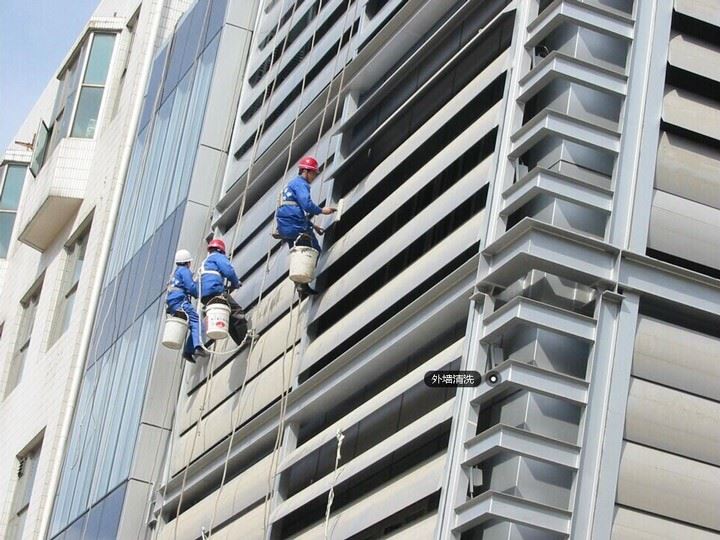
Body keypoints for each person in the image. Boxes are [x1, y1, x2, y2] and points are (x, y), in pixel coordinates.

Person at [275, 156, 336, 295]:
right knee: (313, 249)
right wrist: (322, 210)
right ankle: (302, 283)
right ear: (305, 171)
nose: (314, 177)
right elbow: (306, 205)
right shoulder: (301, 184)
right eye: (313, 173)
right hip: (296, 225)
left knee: (297, 253)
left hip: (285, 227)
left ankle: (300, 284)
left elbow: (293, 209)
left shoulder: (291, 184)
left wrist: (313, 226)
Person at [199, 238, 248, 345]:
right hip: (215, 291)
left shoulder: (205, 263)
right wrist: (236, 283)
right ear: (220, 250)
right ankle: (245, 338)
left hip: (205, 297)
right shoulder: (217, 257)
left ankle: (240, 341)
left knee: (227, 315)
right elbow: (228, 271)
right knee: (237, 311)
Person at [166, 249, 208, 362]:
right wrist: (199, 293)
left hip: (173, 304)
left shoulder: (175, 273)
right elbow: (190, 287)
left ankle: (188, 351)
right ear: (187, 262)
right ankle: (197, 347)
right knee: (196, 321)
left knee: (193, 324)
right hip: (181, 302)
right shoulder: (184, 271)